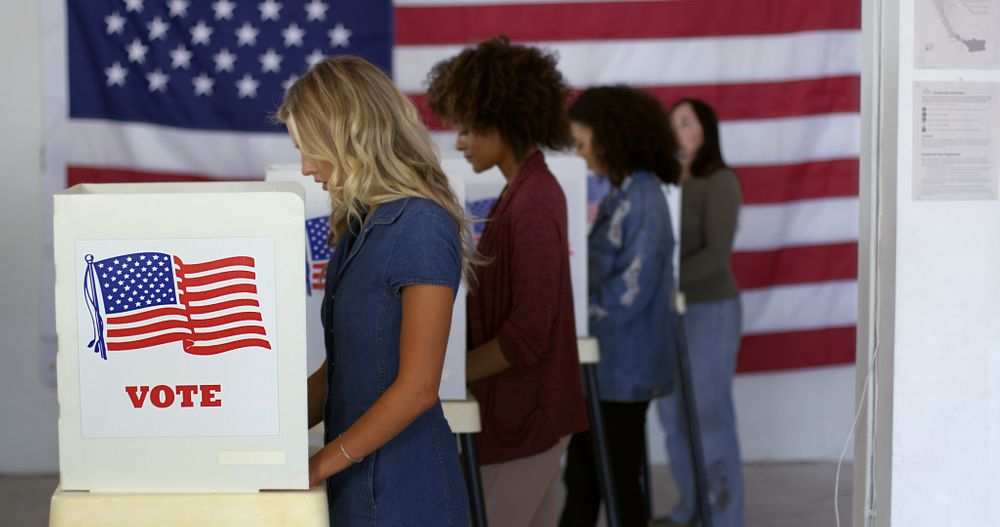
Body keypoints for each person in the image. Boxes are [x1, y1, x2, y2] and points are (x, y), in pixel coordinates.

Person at [278, 55, 475, 526]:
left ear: (350, 137)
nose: (305, 167)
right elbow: (337, 372)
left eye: (311, 148)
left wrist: (317, 465)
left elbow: (418, 389)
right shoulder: (359, 226)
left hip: (406, 490)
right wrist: (263, 438)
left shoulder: (422, 224)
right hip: (354, 480)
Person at [426, 35, 589, 527]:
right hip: (526, 414)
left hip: (529, 415)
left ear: (504, 121)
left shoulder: (534, 202)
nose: (458, 142)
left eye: (469, 128)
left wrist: (441, 377)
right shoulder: (523, 193)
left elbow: (528, 334)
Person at [559, 86, 681, 527]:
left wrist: (570, 319)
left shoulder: (643, 198)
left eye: (583, 143)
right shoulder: (623, 192)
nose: (581, 154)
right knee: (588, 476)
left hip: (623, 368)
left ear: (612, 137)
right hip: (608, 365)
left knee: (614, 480)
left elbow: (631, 290)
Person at [655, 98, 744, 527]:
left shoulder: (720, 181)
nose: (678, 131)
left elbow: (716, 254)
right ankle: (691, 509)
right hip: (667, 315)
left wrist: (664, 283)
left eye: (686, 123)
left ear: (706, 131)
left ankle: (724, 517)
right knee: (673, 418)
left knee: (709, 414)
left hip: (709, 310)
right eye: (672, 124)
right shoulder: (662, 183)